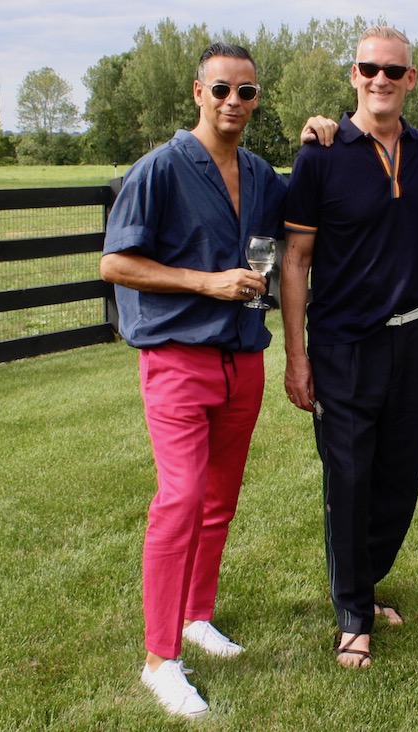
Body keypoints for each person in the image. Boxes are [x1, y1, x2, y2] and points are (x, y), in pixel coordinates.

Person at [100, 43, 285, 718]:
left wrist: (328, 132)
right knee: (179, 500)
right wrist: (203, 282)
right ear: (197, 92)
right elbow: (116, 263)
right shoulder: (159, 170)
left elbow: (311, 210)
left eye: (246, 92)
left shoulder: (263, 174)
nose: (233, 102)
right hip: (178, 359)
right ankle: (160, 659)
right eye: (221, 90)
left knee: (219, 501)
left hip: (245, 359)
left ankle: (196, 617)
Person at [281, 25, 418, 669]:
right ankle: (352, 609)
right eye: (368, 68)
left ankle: (366, 581)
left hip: (417, 337)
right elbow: (296, 260)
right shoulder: (320, 153)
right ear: (354, 75)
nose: (380, 79)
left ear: (410, 80)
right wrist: (297, 356)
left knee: (399, 474)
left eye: (393, 71)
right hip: (344, 345)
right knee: (348, 477)